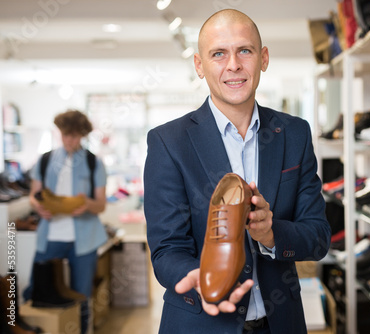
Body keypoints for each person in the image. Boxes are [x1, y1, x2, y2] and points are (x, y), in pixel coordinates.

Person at [144, 9, 331, 334]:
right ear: (199, 66)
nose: (233, 65)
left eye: (244, 50)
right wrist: (198, 278)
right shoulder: (169, 142)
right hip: (199, 323)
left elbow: (318, 238)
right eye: (218, 54)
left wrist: (270, 234)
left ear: (263, 58)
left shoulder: (295, 134)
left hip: (280, 324)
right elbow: (167, 249)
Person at [25, 109, 108, 334]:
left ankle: (80, 330)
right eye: (65, 135)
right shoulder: (45, 160)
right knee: (38, 290)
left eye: (74, 136)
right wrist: (38, 205)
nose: (69, 140)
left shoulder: (93, 163)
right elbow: (34, 195)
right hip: (49, 236)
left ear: (82, 135)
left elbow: (101, 204)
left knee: (81, 295)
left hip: (85, 240)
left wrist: (87, 204)